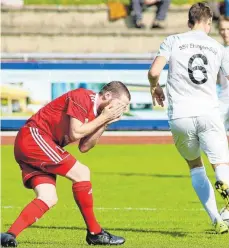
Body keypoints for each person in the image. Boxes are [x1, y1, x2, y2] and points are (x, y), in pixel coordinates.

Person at [1, 81, 130, 247]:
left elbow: (84, 147)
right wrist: (104, 117)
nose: (123, 110)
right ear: (107, 96)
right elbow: (75, 132)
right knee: (82, 172)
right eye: (121, 105)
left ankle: (8, 236)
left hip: (38, 144)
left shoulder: (98, 114)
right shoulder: (83, 96)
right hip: (33, 137)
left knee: (48, 197)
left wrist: (104, 122)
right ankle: (95, 233)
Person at [148, 2, 229, 234]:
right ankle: (224, 181)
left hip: (180, 115)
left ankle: (217, 220)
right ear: (209, 22)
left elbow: (154, 72)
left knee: (195, 166)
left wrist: (155, 87)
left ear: (189, 22)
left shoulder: (173, 41)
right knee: (221, 163)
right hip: (209, 113)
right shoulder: (217, 47)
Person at [218, 16, 229, 130]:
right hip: (223, 99)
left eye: (228, 29)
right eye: (222, 29)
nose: (225, 32)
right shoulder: (218, 51)